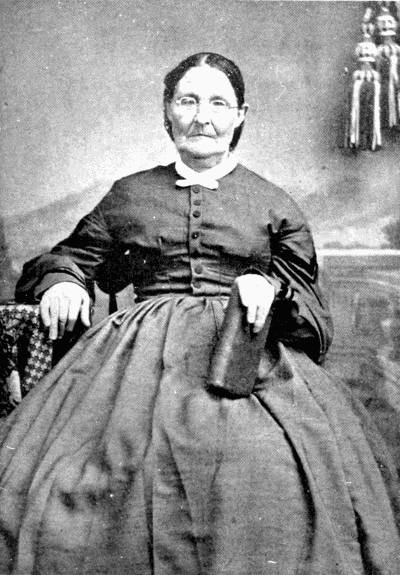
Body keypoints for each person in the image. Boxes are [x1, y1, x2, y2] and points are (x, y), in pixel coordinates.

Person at [0, 52, 399, 575]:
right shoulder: (129, 194)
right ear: (168, 111)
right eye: (188, 101)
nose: (202, 117)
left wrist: (270, 290)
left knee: (266, 469)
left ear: (240, 115)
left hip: (246, 358)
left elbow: (312, 317)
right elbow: (69, 257)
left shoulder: (274, 203)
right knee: (97, 470)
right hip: (134, 363)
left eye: (218, 103)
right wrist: (63, 283)